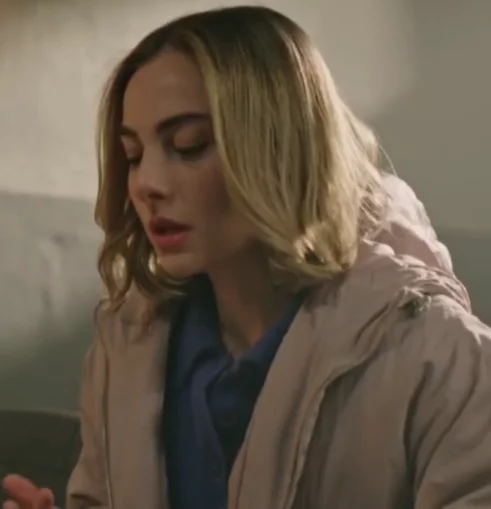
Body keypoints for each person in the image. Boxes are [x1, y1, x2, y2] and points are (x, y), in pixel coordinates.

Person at [3, 5, 491, 509]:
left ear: (283, 148)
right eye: (133, 156)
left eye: (188, 145)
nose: (146, 183)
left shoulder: (436, 355)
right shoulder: (127, 345)